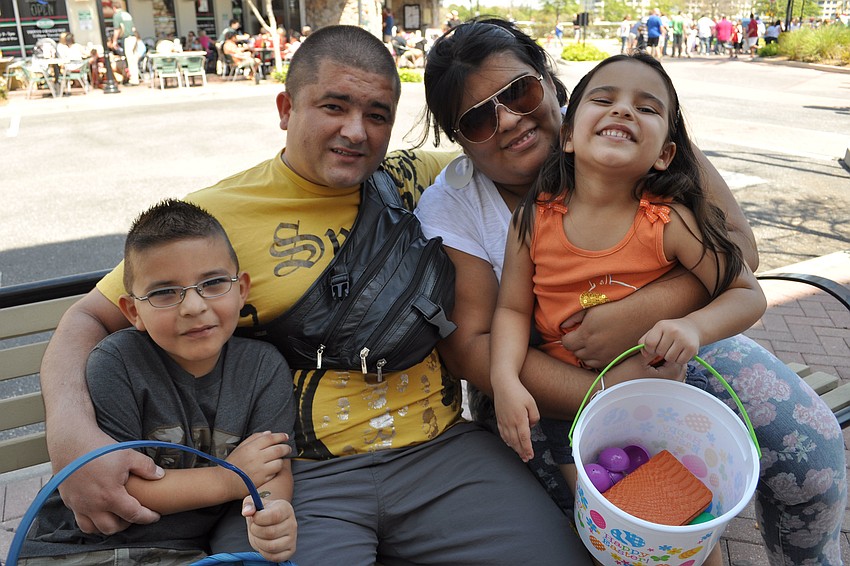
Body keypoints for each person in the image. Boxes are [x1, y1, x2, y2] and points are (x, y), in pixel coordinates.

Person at [38, 24, 590, 565]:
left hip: (443, 453)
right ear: (285, 109)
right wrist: (72, 438)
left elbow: (526, 152)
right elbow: (89, 316)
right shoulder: (217, 217)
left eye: (377, 115)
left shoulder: (425, 180)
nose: (356, 131)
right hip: (299, 476)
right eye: (333, 106)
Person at [416, 18, 846, 565]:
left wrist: (641, 312)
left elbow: (739, 258)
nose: (508, 121)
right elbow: (475, 340)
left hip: (676, 351)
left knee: (810, 454)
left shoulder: (624, 126)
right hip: (548, 386)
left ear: (551, 83)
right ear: (457, 137)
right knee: (629, 530)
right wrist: (608, 394)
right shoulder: (468, 209)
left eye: (519, 91)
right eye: (477, 119)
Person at [488, 50, 766, 502]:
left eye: (647, 107)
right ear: (568, 136)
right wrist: (505, 379)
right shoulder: (533, 218)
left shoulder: (669, 222)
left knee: (682, 515)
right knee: (611, 526)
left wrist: (693, 326)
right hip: (572, 412)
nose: (623, 110)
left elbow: (747, 294)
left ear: (665, 154)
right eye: (604, 99)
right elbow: (512, 309)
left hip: (661, 399)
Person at [21, 200, 297, 564]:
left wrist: (272, 514)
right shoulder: (117, 362)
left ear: (241, 289)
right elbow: (118, 486)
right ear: (133, 310)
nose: (193, 306)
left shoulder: (265, 369)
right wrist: (231, 480)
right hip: (78, 549)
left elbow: (272, 467)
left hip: (184, 553)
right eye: (165, 293)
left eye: (213, 283)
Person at [110, 0, 139, 85]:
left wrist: (114, 41)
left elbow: (117, 29)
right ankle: (135, 77)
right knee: (133, 59)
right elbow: (133, 28)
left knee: (130, 59)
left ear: (114, 8)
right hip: (134, 37)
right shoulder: (127, 14)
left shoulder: (117, 15)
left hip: (127, 38)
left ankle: (133, 79)